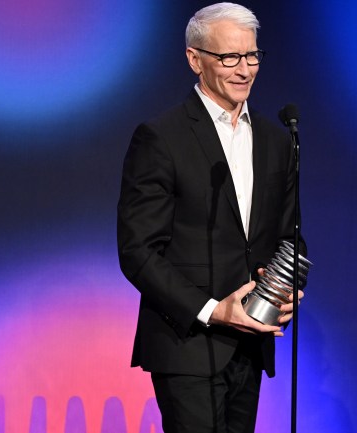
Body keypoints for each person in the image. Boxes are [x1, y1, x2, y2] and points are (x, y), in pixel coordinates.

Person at [117, 3, 305, 432]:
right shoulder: (161, 138)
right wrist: (214, 310)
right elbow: (138, 251)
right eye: (230, 57)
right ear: (195, 59)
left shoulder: (276, 141)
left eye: (252, 55)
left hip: (250, 342)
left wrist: (287, 290)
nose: (245, 69)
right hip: (186, 342)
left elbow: (290, 237)